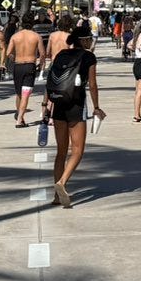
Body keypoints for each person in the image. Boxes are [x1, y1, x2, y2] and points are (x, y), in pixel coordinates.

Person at [43, 22, 106, 207]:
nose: (91, 41)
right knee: (77, 150)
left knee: (61, 152)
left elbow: (50, 80)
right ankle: (62, 182)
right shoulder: (89, 57)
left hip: (58, 104)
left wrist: (45, 104)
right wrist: (97, 106)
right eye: (89, 39)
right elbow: (92, 85)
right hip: (76, 105)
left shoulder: (62, 54)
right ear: (84, 40)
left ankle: (57, 196)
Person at [7, 12, 45, 128]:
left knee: (19, 94)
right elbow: (42, 54)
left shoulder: (15, 36)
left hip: (18, 66)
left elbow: (8, 53)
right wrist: (40, 64)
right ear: (33, 23)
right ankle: (19, 119)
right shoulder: (36, 36)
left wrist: (15, 58)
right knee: (25, 94)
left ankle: (21, 116)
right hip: (29, 65)